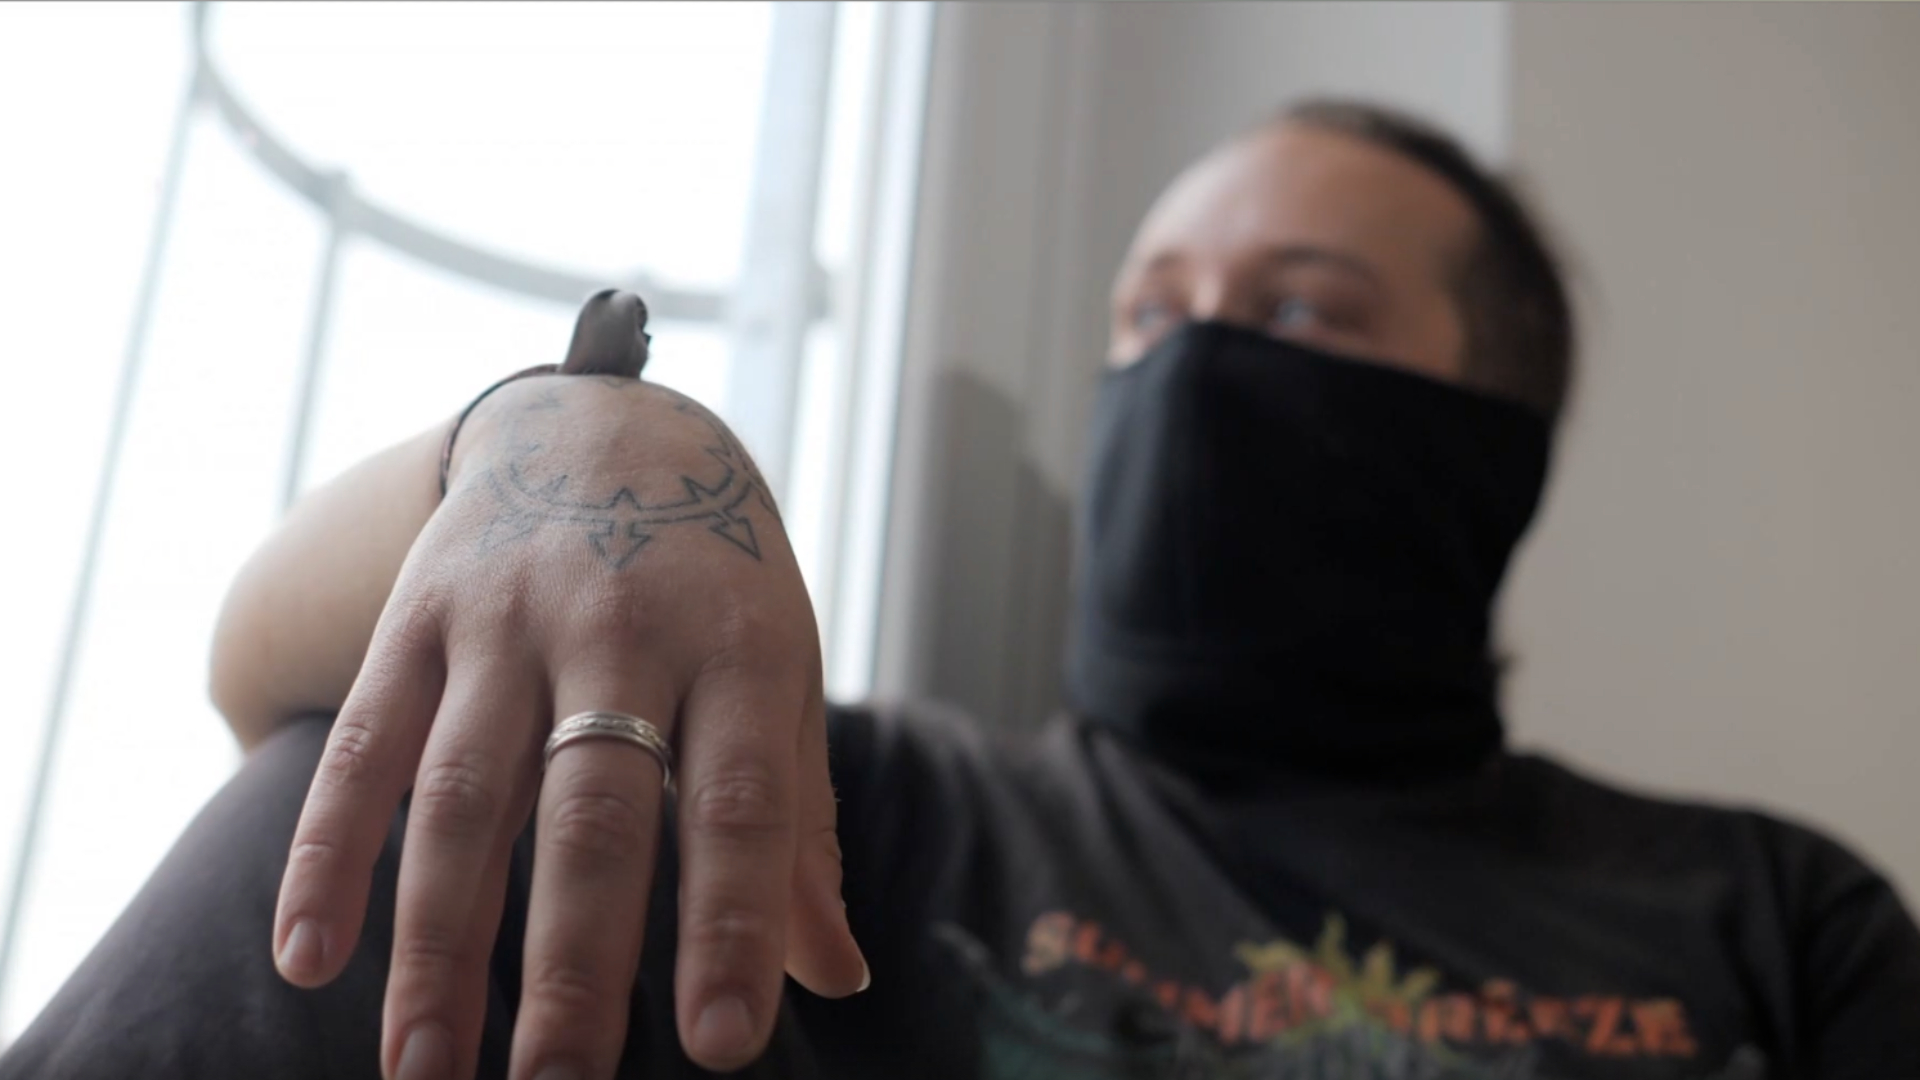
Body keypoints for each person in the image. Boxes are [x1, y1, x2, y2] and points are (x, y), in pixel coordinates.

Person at [5, 98, 1917, 1080]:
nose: (1192, 360)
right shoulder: (849, 813)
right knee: (410, 785)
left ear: (1490, 432)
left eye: (1299, 312)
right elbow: (267, 671)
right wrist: (546, 452)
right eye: (1147, 313)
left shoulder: (1762, 913)